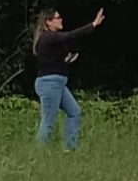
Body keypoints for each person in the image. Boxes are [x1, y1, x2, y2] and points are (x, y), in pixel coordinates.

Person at [31, 8, 105, 150]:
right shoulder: (48, 37)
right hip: (49, 84)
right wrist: (93, 25)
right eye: (58, 18)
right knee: (48, 121)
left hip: (58, 83)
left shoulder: (52, 40)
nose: (61, 19)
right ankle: (38, 153)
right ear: (48, 22)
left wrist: (68, 58)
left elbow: (58, 57)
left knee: (74, 112)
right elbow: (70, 36)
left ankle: (69, 148)